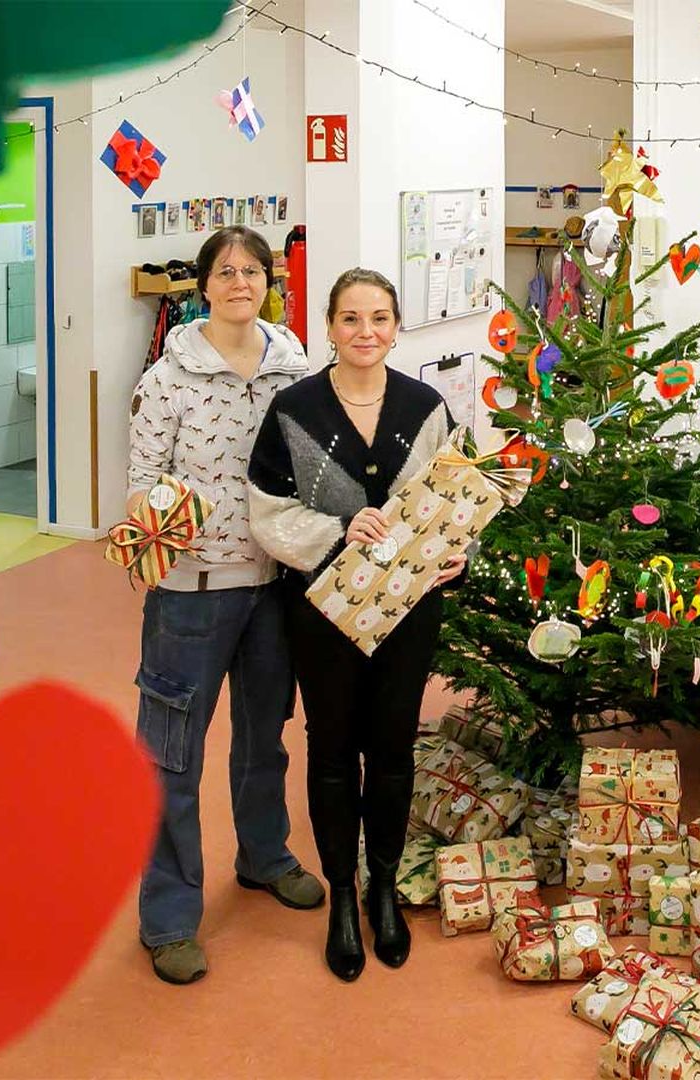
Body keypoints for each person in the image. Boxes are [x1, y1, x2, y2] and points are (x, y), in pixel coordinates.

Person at [248, 268, 463, 981]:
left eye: (378, 318)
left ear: (396, 326)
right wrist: (342, 528)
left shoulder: (426, 406)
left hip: (410, 608)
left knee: (394, 746)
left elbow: (454, 499)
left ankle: (383, 887)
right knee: (333, 747)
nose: (365, 332)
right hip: (323, 607)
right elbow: (268, 513)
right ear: (329, 327)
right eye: (350, 319)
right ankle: (342, 890)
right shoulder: (294, 409)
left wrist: (459, 550)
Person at [127, 225, 323, 986]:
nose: (242, 281)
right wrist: (155, 537)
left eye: (255, 269)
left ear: (269, 281)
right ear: (204, 284)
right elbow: (144, 475)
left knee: (264, 738)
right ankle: (170, 916)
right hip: (191, 597)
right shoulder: (171, 375)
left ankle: (264, 855)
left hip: (274, 588)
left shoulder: (293, 361)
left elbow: (314, 461)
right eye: (227, 270)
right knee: (170, 757)